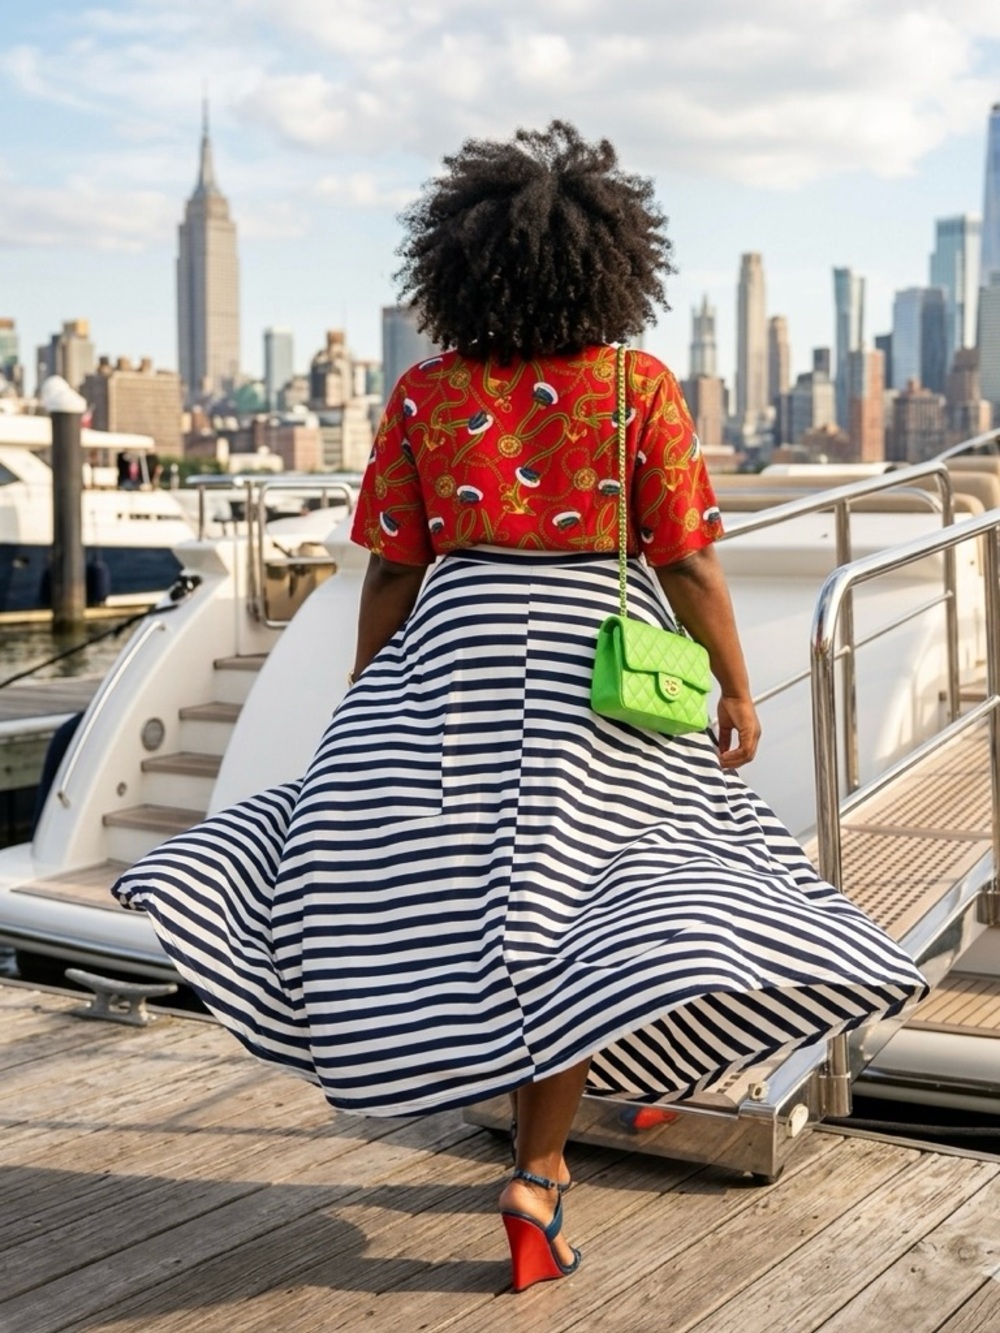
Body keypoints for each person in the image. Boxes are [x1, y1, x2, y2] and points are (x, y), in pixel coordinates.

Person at [114, 122, 927, 1294]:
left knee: (447, 891)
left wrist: (366, 694)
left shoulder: (426, 394)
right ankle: (538, 1170)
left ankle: (581, 1080)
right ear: (609, 264)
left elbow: (391, 564)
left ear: (459, 267)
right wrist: (737, 685)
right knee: (605, 895)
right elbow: (690, 559)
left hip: (452, 655)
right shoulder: (632, 388)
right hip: (598, 672)